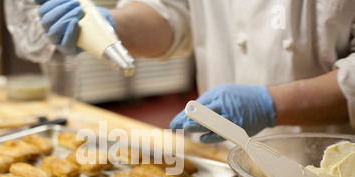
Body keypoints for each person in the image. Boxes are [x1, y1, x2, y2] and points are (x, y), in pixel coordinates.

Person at [35, 0, 355, 145]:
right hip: (220, 155)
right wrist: (106, 27)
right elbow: (174, 12)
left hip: (330, 173)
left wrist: (269, 105)